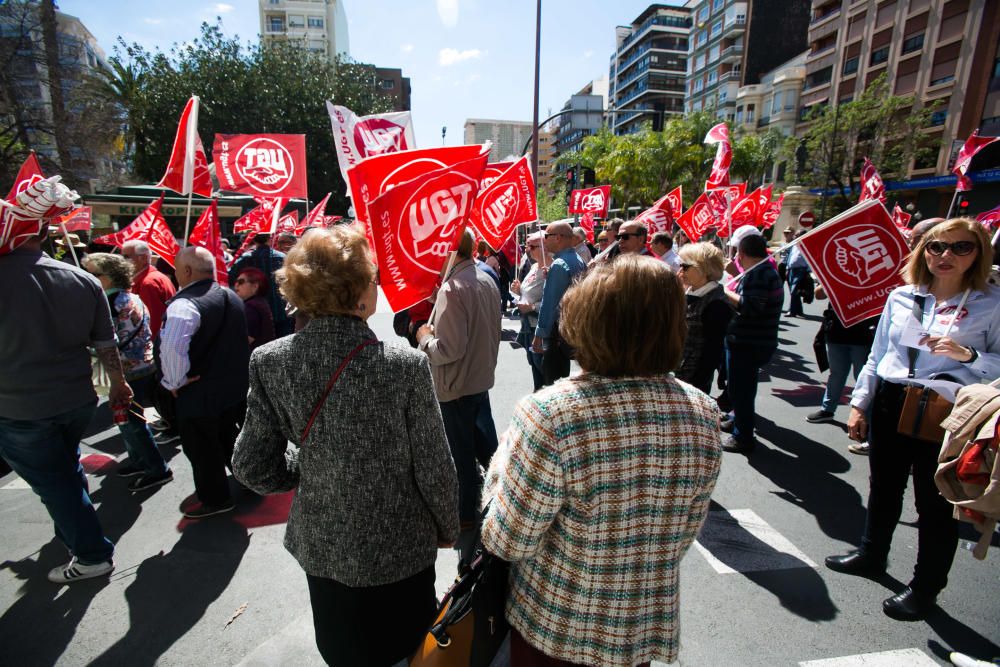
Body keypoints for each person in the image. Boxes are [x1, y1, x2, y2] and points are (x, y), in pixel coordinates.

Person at [233, 226, 458, 666]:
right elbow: (435, 467)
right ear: (357, 291)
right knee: (409, 649)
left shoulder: (271, 361)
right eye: (374, 281)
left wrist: (309, 465)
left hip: (324, 544)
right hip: (400, 545)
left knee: (341, 649)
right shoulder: (404, 366)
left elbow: (251, 466)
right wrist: (448, 527)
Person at [481, 256, 722, 667]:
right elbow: (683, 534)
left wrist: (502, 464)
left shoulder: (552, 414)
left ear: (586, 321)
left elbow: (508, 539)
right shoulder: (702, 411)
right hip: (638, 631)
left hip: (555, 631)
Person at [827, 217, 1000, 621]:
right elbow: (876, 354)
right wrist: (860, 403)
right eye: (936, 246)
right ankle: (872, 554)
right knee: (883, 487)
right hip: (892, 399)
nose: (945, 255)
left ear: (978, 254)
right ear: (923, 250)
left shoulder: (991, 304)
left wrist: (969, 355)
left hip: (947, 410)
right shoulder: (902, 296)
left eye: (961, 247)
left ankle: (925, 588)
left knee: (933, 503)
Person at [0, 228, 131, 583]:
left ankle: (92, 555)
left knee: (55, 484)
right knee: (64, 472)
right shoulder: (81, 279)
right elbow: (106, 343)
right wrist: (119, 384)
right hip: (75, 401)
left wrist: (118, 384)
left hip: (22, 408)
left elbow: (105, 342)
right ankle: (74, 531)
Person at [416, 229, 502, 529]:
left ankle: (466, 517)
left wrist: (425, 338)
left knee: (462, 459)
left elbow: (447, 350)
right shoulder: (485, 277)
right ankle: (499, 505)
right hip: (478, 379)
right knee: (487, 452)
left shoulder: (452, 288)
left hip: (456, 386)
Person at [160, 246, 249, 519]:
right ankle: (248, 478)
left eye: (176, 269)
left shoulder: (184, 304)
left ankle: (216, 499)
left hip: (198, 391)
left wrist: (174, 380)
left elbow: (173, 347)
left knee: (202, 449)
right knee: (228, 437)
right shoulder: (230, 295)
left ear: (186, 271)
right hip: (232, 387)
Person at [83, 253, 172, 491]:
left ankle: (156, 468)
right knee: (130, 420)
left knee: (132, 422)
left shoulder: (109, 304)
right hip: (142, 366)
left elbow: (106, 340)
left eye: (94, 274)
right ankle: (139, 461)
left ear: (110, 277)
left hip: (127, 372)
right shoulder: (131, 297)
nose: (89, 278)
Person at [720, 233, 784, 453]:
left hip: (748, 342)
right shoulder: (761, 271)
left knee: (741, 390)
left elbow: (750, 307)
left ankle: (743, 436)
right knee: (742, 387)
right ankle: (737, 420)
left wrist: (726, 292)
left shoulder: (759, 274)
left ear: (742, 253)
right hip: (750, 340)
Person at [806, 284, 878, 455]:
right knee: (836, 373)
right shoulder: (836, 274)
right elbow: (818, 294)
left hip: (862, 333)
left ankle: (866, 424)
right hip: (837, 331)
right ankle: (828, 409)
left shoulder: (870, 277)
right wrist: (827, 281)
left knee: (864, 379)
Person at [531, 222, 586, 385]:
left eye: (546, 236)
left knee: (551, 380)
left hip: (558, 331)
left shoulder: (560, 264)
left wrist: (539, 334)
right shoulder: (577, 259)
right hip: (571, 327)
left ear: (559, 237)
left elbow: (550, 303)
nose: (544, 241)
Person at [676, 242, 733, 393]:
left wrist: (697, 384)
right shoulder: (692, 292)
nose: (681, 270)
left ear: (703, 268)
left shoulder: (717, 304)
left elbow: (712, 352)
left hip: (692, 380)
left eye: (685, 266)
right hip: (678, 372)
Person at [229, 233, 293, 337]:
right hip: (281, 309)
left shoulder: (246, 258)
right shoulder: (282, 257)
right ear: (270, 238)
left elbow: (230, 277)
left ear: (254, 240)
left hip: (256, 312)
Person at [510, 231, 550, 390]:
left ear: (544, 248)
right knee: (534, 365)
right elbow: (528, 294)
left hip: (539, 328)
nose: (528, 250)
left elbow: (556, 301)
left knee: (543, 370)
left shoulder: (551, 269)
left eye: (532, 247)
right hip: (527, 326)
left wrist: (532, 307)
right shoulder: (534, 267)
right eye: (527, 247)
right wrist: (519, 291)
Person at [122, 239, 176, 338]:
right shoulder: (153, 278)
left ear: (143, 258)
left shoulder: (147, 283)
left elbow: (152, 323)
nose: (122, 261)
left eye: (126, 257)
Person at [233, 267, 275, 352]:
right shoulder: (258, 303)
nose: (236, 285)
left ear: (255, 286)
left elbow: (244, 340)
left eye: (241, 282)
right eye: (236, 282)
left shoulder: (251, 308)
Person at [785, 232, 811, 317]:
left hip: (801, 270)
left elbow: (809, 258)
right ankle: (799, 311)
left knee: (794, 291)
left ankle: (791, 311)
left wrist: (808, 271)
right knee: (794, 292)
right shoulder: (794, 244)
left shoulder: (807, 245)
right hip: (791, 269)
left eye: (797, 235)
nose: (794, 236)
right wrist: (787, 268)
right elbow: (790, 257)